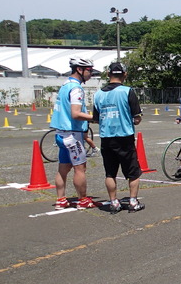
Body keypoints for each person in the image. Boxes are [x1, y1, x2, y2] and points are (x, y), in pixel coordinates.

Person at [92, 62, 144, 213]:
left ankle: (114, 202)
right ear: (124, 75)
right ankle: (133, 202)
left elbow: (96, 118)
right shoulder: (127, 91)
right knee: (133, 172)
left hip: (106, 137)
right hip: (124, 136)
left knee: (110, 173)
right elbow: (137, 117)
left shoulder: (98, 94)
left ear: (108, 75)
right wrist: (133, 120)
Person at [50, 57, 97, 210]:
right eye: (89, 70)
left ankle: (60, 199)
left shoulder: (65, 85)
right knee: (80, 168)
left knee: (63, 168)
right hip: (72, 135)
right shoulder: (76, 88)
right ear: (79, 70)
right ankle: (83, 200)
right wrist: (95, 118)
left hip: (60, 133)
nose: (91, 74)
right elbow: (76, 113)